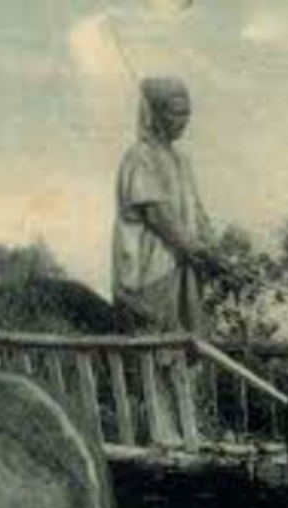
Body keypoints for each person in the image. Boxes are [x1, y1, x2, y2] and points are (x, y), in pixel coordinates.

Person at [111, 76, 220, 335]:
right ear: (157, 114)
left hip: (184, 265)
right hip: (150, 270)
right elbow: (159, 216)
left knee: (189, 340)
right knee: (156, 337)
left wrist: (214, 249)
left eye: (188, 113)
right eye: (177, 113)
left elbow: (197, 212)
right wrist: (199, 250)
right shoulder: (139, 157)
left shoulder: (181, 161)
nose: (185, 120)